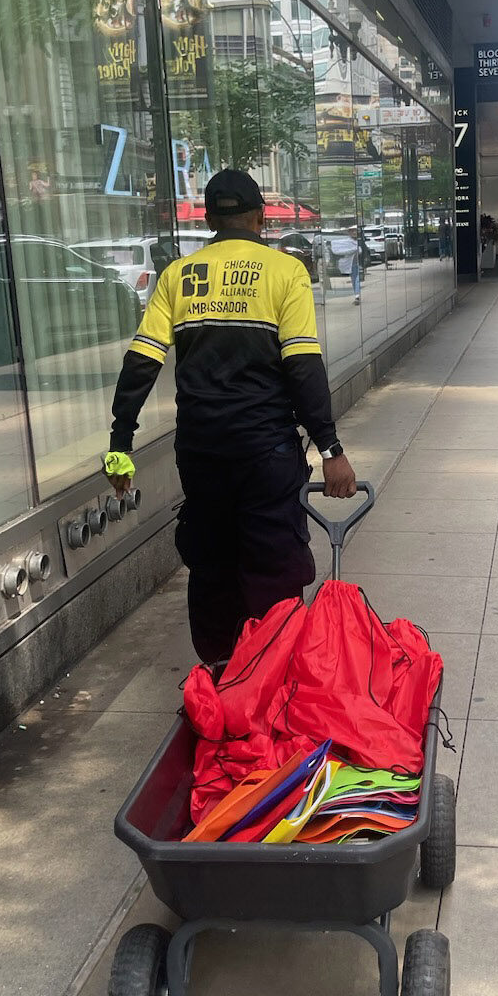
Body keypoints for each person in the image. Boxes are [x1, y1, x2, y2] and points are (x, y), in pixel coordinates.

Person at [104, 169, 357, 665]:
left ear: (209, 220)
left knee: (213, 567)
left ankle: (221, 678)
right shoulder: (285, 272)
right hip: (266, 452)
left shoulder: (179, 275)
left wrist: (120, 444)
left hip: (201, 452)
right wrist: (331, 449)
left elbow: (141, 363)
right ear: (260, 217)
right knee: (274, 566)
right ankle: (270, 675)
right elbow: (303, 367)